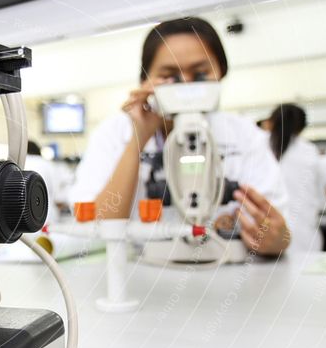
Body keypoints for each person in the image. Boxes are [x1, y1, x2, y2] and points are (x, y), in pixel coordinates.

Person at [68, 17, 290, 256]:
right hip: (141, 275)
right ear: (146, 80)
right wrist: (137, 139)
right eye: (170, 75)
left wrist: (277, 240)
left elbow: (280, 232)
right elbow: (98, 228)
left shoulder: (246, 137)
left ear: (221, 73)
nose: (185, 84)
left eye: (201, 74)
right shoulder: (114, 134)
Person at [267, 104, 326, 253]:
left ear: (272, 122)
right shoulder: (309, 152)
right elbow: (323, 200)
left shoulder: (260, 148)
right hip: (306, 241)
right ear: (302, 127)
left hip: (266, 241)